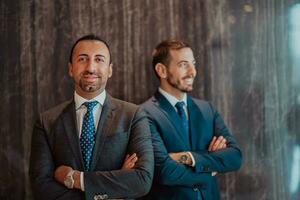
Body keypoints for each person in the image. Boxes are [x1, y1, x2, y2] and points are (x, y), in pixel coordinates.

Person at [29, 34, 154, 200]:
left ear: (110, 70)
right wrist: (112, 191)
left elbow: (141, 180)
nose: (91, 67)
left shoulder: (134, 115)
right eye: (82, 59)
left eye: (99, 59)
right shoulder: (46, 121)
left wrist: (74, 178)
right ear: (70, 68)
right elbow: (41, 186)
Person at [141, 39, 242, 200]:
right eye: (183, 64)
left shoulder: (207, 109)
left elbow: (235, 157)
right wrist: (211, 165)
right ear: (162, 70)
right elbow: (165, 172)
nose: (192, 71)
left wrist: (189, 157)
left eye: (193, 64)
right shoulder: (144, 114)